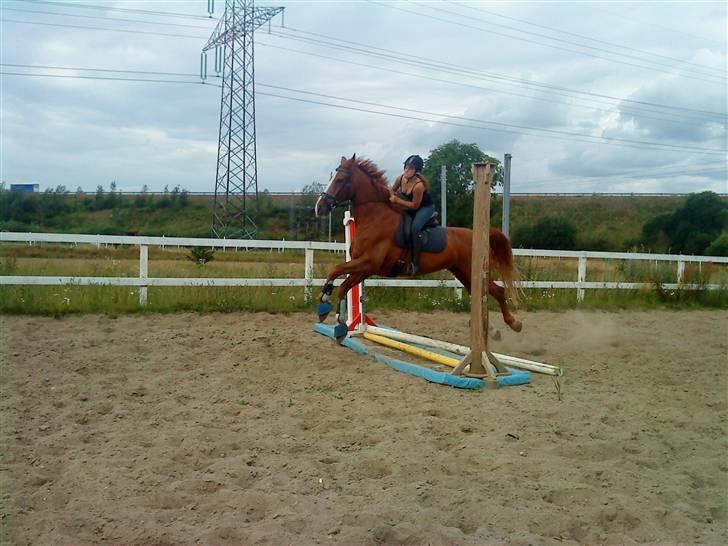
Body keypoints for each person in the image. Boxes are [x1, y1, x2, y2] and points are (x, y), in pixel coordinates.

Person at [389, 154, 436, 275]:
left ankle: (416, 263)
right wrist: (390, 195)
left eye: (410, 168)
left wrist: (397, 201)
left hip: (425, 208)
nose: (406, 170)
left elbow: (415, 205)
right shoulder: (401, 178)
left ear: (416, 171)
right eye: (405, 167)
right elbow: (392, 190)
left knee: (415, 228)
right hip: (409, 205)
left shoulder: (419, 186)